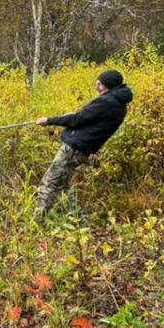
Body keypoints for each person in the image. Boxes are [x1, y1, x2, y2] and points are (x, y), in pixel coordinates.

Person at [34, 69, 134, 217]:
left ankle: (37, 221)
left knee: (49, 183)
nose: (96, 88)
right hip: (82, 149)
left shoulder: (107, 102)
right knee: (62, 185)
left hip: (74, 149)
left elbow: (77, 119)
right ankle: (77, 218)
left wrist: (48, 121)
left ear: (108, 85)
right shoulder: (117, 103)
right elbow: (86, 118)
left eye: (99, 84)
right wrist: (74, 116)